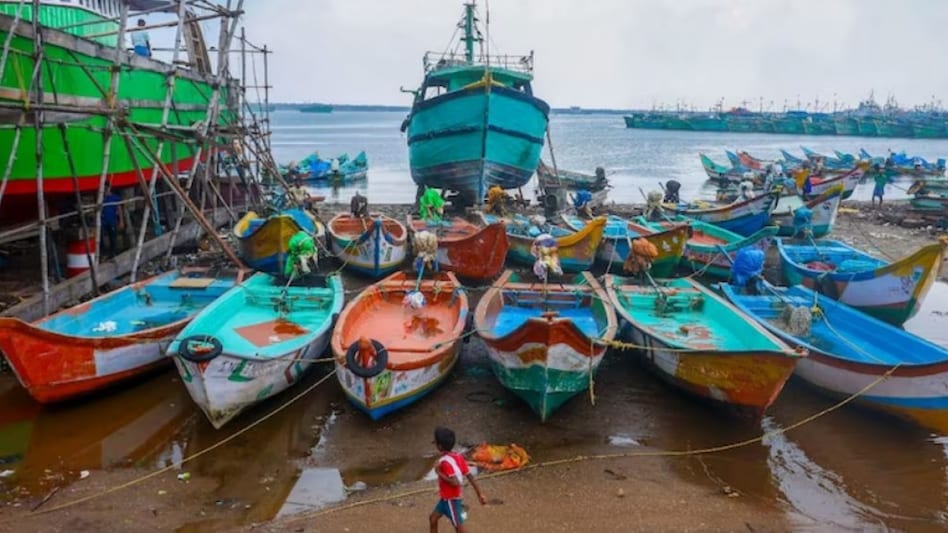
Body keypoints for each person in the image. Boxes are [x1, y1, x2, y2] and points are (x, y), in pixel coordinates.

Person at [430, 427, 486, 533]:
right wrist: (480, 494)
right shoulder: (458, 457)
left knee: (459, 528)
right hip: (445, 499)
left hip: (451, 500)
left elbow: (456, 482)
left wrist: (439, 472)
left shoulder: (444, 462)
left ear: (439, 446)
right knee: (433, 519)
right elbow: (469, 476)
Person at [101, 185, 124, 258]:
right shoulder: (102, 199)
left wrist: (121, 221)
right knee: (100, 237)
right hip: (103, 221)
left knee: (113, 238)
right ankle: (103, 253)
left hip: (112, 221)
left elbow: (119, 210)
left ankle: (112, 254)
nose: (104, 190)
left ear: (109, 188)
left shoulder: (114, 198)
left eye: (106, 189)